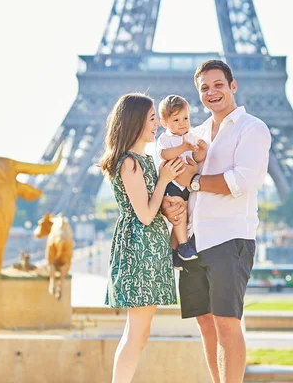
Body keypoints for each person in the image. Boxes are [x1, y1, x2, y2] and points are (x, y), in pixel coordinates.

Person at [161, 60, 272, 383]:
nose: (212, 92)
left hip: (229, 238)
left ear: (233, 86)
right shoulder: (192, 134)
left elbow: (243, 181)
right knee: (205, 323)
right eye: (205, 88)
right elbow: (176, 179)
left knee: (226, 322)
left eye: (218, 84)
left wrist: (195, 180)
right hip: (192, 241)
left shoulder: (252, 128)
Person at [99, 93, 184, 383]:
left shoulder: (142, 160)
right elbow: (145, 215)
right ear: (135, 122)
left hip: (149, 249)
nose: (158, 124)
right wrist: (163, 179)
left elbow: (152, 207)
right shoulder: (130, 164)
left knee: (139, 332)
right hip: (140, 252)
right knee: (136, 333)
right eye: (151, 119)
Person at [156, 95, 208, 267]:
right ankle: (184, 246)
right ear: (164, 123)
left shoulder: (191, 136)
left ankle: (174, 252)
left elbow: (196, 157)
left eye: (185, 118)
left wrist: (202, 150)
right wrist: (183, 147)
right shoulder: (165, 138)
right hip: (173, 184)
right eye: (176, 120)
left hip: (187, 186)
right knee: (179, 214)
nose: (182, 123)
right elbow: (165, 154)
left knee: (183, 218)